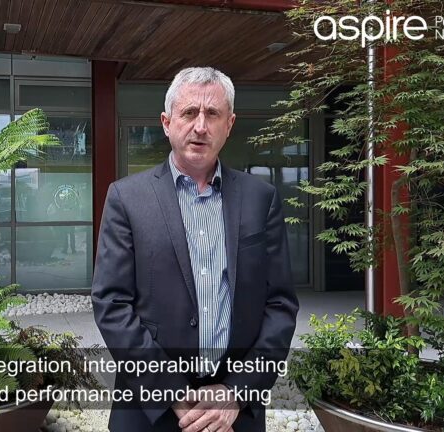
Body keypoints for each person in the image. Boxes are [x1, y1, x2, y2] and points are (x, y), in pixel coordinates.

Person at [91, 67, 299, 432]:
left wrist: (237, 392)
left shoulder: (261, 199)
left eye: (212, 114)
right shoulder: (126, 198)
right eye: (189, 112)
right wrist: (171, 392)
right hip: (150, 410)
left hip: (235, 414)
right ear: (166, 122)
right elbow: (111, 303)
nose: (200, 126)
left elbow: (280, 305)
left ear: (229, 124)